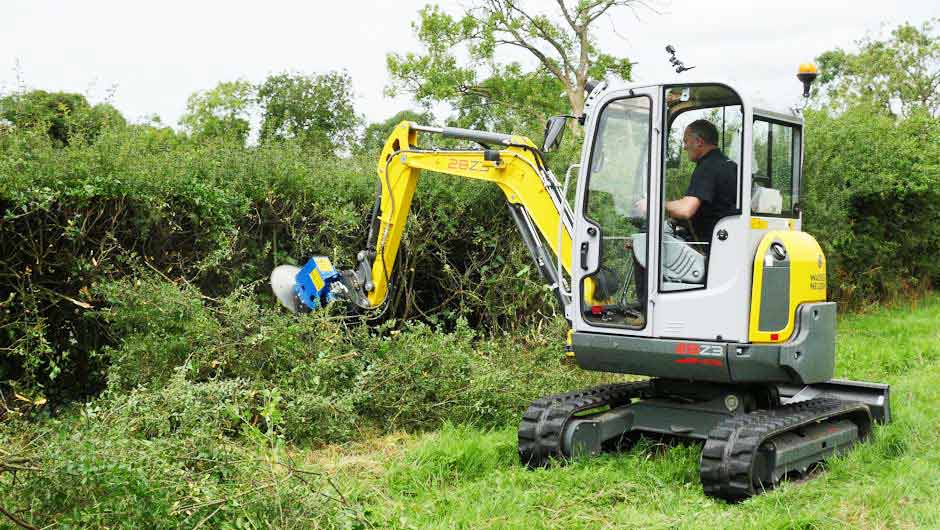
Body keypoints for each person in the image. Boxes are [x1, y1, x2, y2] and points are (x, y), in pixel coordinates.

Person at [665, 119, 738, 243]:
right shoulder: (730, 166)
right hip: (726, 241)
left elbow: (685, 210)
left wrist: (654, 205)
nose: (685, 147)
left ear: (699, 142)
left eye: (686, 141)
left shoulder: (708, 167)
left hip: (707, 246)